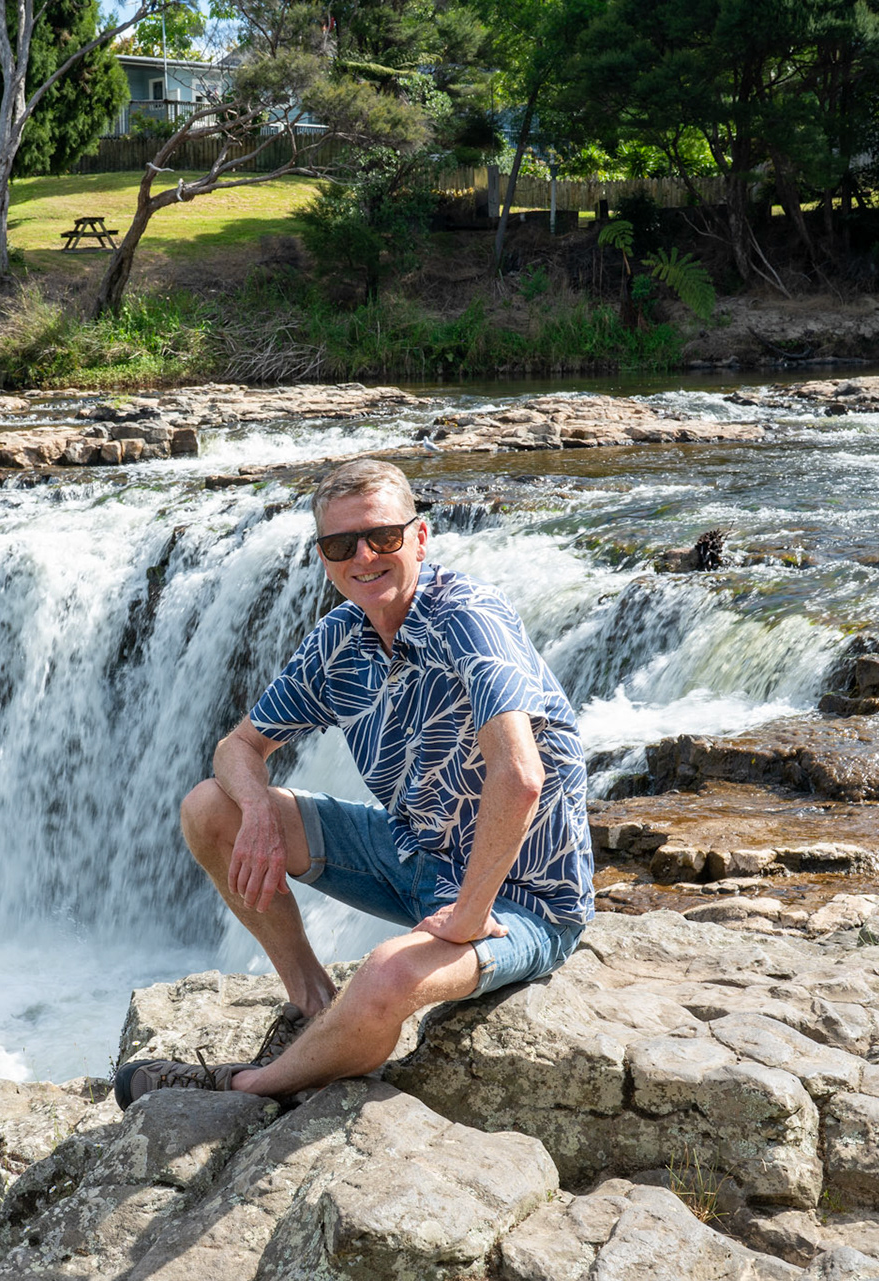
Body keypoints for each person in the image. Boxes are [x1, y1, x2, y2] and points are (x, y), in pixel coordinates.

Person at [114, 459, 594, 1107]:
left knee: (387, 973)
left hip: (520, 901)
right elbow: (237, 748)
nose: (363, 556)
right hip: (413, 854)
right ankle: (312, 1003)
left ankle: (241, 1086)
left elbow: (521, 775)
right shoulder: (341, 639)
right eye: (342, 545)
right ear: (324, 557)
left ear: (419, 538)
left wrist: (469, 914)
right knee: (210, 808)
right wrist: (257, 810)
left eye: (382, 536)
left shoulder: (469, 618)